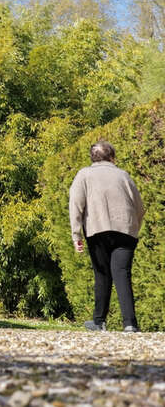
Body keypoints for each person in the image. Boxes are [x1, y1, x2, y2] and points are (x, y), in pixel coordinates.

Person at [69, 140, 146, 332]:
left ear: (92, 158)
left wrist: (76, 234)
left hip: (98, 229)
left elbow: (76, 205)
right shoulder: (124, 175)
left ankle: (99, 322)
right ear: (112, 157)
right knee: (122, 274)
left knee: (102, 274)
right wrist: (132, 227)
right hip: (126, 231)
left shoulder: (84, 174)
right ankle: (129, 324)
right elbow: (139, 207)